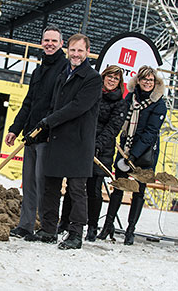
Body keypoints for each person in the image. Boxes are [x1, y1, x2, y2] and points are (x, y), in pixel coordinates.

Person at [26, 33, 102, 250]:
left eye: (80, 50)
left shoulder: (92, 79)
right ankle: (48, 229)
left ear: (87, 52)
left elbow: (77, 107)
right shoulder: (63, 75)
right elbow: (54, 104)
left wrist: (48, 121)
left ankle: (76, 233)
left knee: (77, 190)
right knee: (50, 185)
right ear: (67, 51)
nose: (76, 54)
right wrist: (47, 125)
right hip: (57, 139)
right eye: (73, 50)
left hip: (78, 142)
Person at [5, 25, 68, 239]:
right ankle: (25, 225)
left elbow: (58, 105)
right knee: (29, 183)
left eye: (53, 41)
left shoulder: (65, 69)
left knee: (44, 185)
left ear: (61, 44)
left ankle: (46, 227)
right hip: (30, 136)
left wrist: (46, 127)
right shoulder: (38, 71)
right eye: (46, 40)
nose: (49, 44)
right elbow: (29, 102)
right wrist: (15, 129)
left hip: (48, 136)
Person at [58, 65, 127, 241]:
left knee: (94, 190)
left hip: (101, 150)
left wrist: (96, 145)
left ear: (119, 83)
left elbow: (113, 128)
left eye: (116, 78)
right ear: (103, 77)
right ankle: (64, 221)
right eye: (109, 76)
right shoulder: (92, 93)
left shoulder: (120, 102)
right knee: (73, 185)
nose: (112, 80)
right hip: (81, 145)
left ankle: (92, 226)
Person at [99, 66, 166, 245]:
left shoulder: (159, 103)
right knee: (119, 187)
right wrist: (124, 152)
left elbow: (151, 132)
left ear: (155, 82)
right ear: (138, 81)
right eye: (144, 79)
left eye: (150, 80)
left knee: (139, 192)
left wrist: (134, 156)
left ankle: (130, 230)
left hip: (144, 154)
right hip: (125, 149)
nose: (147, 83)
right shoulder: (130, 97)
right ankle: (108, 225)